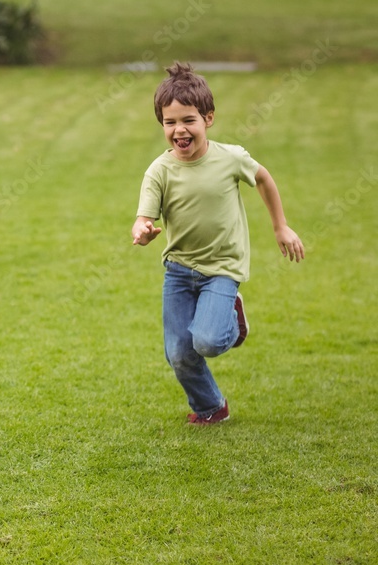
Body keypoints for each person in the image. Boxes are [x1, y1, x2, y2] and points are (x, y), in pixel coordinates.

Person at [131, 62, 305, 425]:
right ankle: (211, 406)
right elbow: (143, 219)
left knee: (207, 342)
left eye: (188, 120)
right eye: (170, 122)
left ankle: (232, 318)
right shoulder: (159, 171)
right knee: (178, 353)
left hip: (222, 269)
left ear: (208, 118)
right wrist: (143, 232)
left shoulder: (230, 158)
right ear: (162, 124)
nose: (179, 129)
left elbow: (263, 179)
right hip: (178, 271)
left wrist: (281, 227)